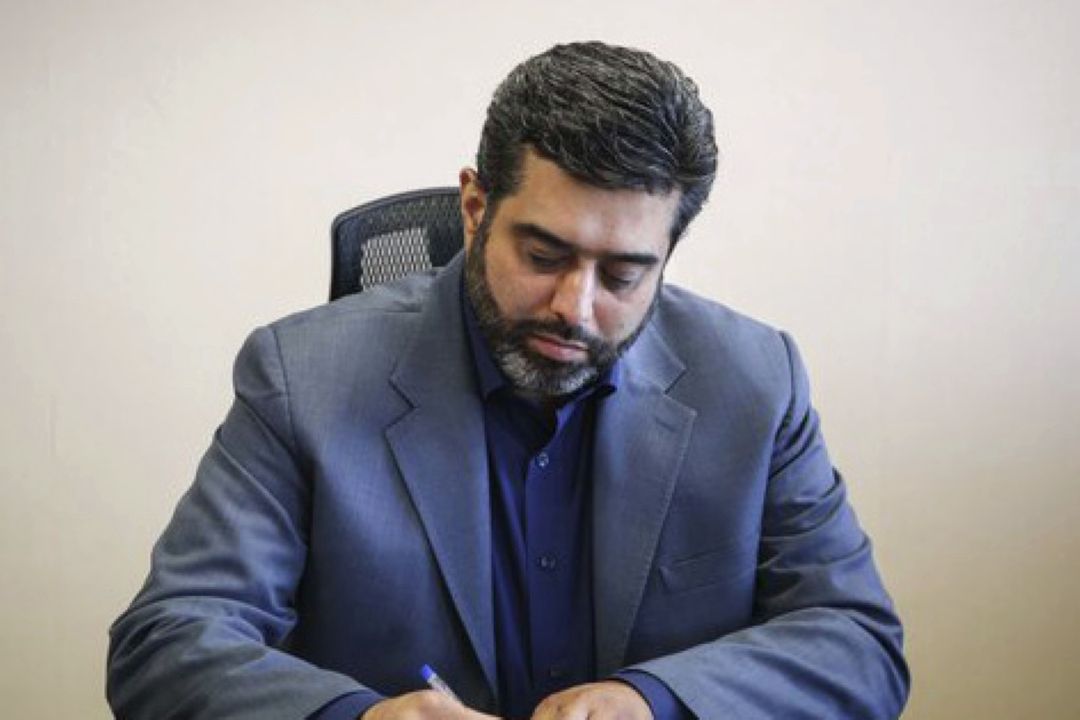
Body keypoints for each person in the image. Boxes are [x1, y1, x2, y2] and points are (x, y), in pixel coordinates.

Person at [107, 42, 909, 719]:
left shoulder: (755, 382)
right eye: (544, 255)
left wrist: (655, 702)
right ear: (473, 207)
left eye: (624, 274)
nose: (575, 308)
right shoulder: (300, 378)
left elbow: (857, 643)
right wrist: (362, 718)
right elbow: (166, 641)